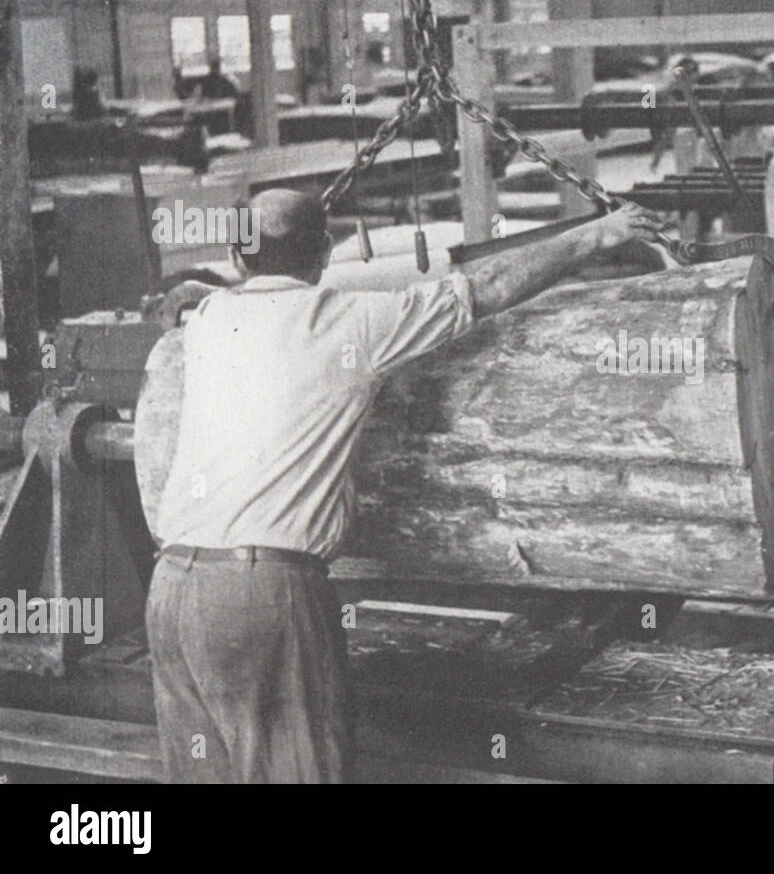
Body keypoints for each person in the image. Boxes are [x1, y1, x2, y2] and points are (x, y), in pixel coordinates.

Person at [146, 190, 663, 783]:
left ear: (239, 257)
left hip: (172, 593)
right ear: (324, 251)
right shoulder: (350, 322)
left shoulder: (209, 320)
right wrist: (600, 233)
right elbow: (485, 289)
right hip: (262, 597)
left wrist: (194, 291)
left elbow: (199, 302)